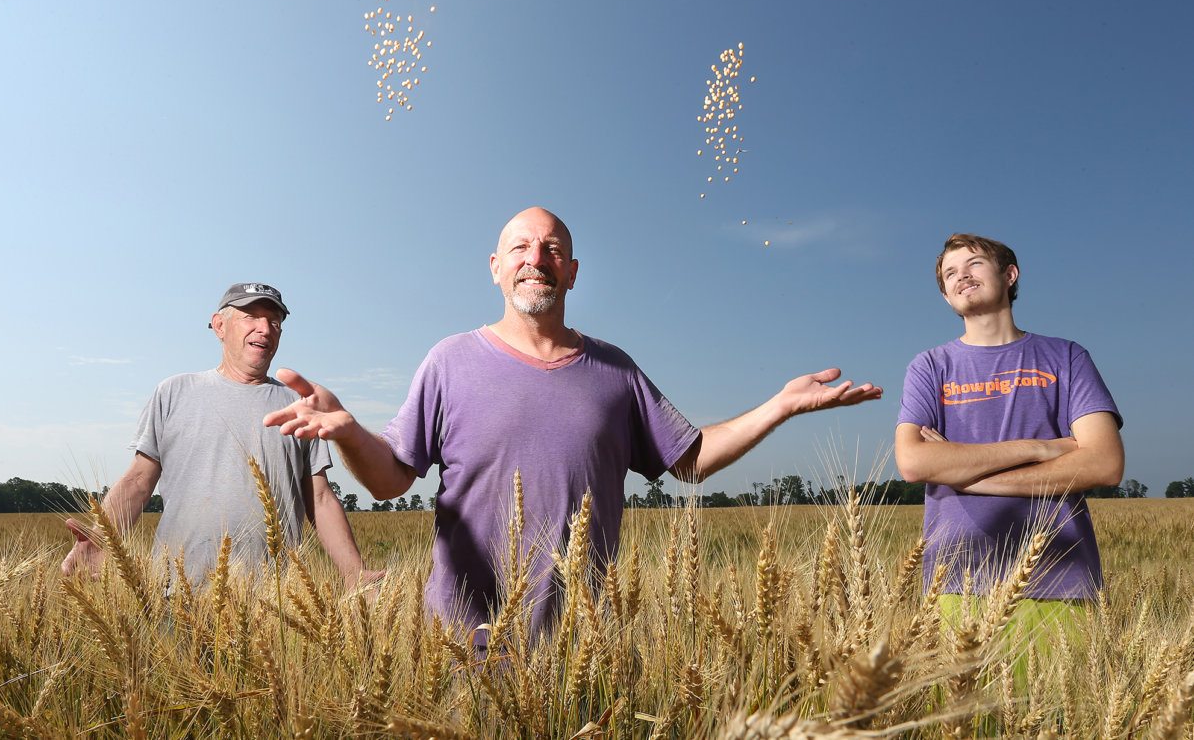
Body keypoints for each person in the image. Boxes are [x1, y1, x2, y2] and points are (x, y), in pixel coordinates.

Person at [264, 207, 882, 635]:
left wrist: (782, 405)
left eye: (553, 249)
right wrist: (347, 431)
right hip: (459, 645)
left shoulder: (615, 369)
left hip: (585, 642)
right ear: (496, 267)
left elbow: (691, 460)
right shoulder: (448, 361)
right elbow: (390, 481)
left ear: (573, 271)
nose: (537, 258)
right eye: (521, 248)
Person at [61, 282, 377, 590]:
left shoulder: (300, 405)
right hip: (176, 592)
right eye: (251, 317)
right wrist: (101, 540)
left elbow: (319, 497)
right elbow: (138, 482)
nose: (265, 329)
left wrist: (354, 572)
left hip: (273, 602)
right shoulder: (174, 392)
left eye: (274, 321)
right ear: (219, 326)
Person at [894, 234, 1124, 619]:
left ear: (1010, 274)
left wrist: (970, 478)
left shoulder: (1066, 357)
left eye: (974, 264)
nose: (961, 276)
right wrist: (1040, 448)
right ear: (946, 297)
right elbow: (914, 463)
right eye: (950, 273)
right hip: (955, 583)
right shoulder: (929, 367)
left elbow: (1105, 464)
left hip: (1061, 578)